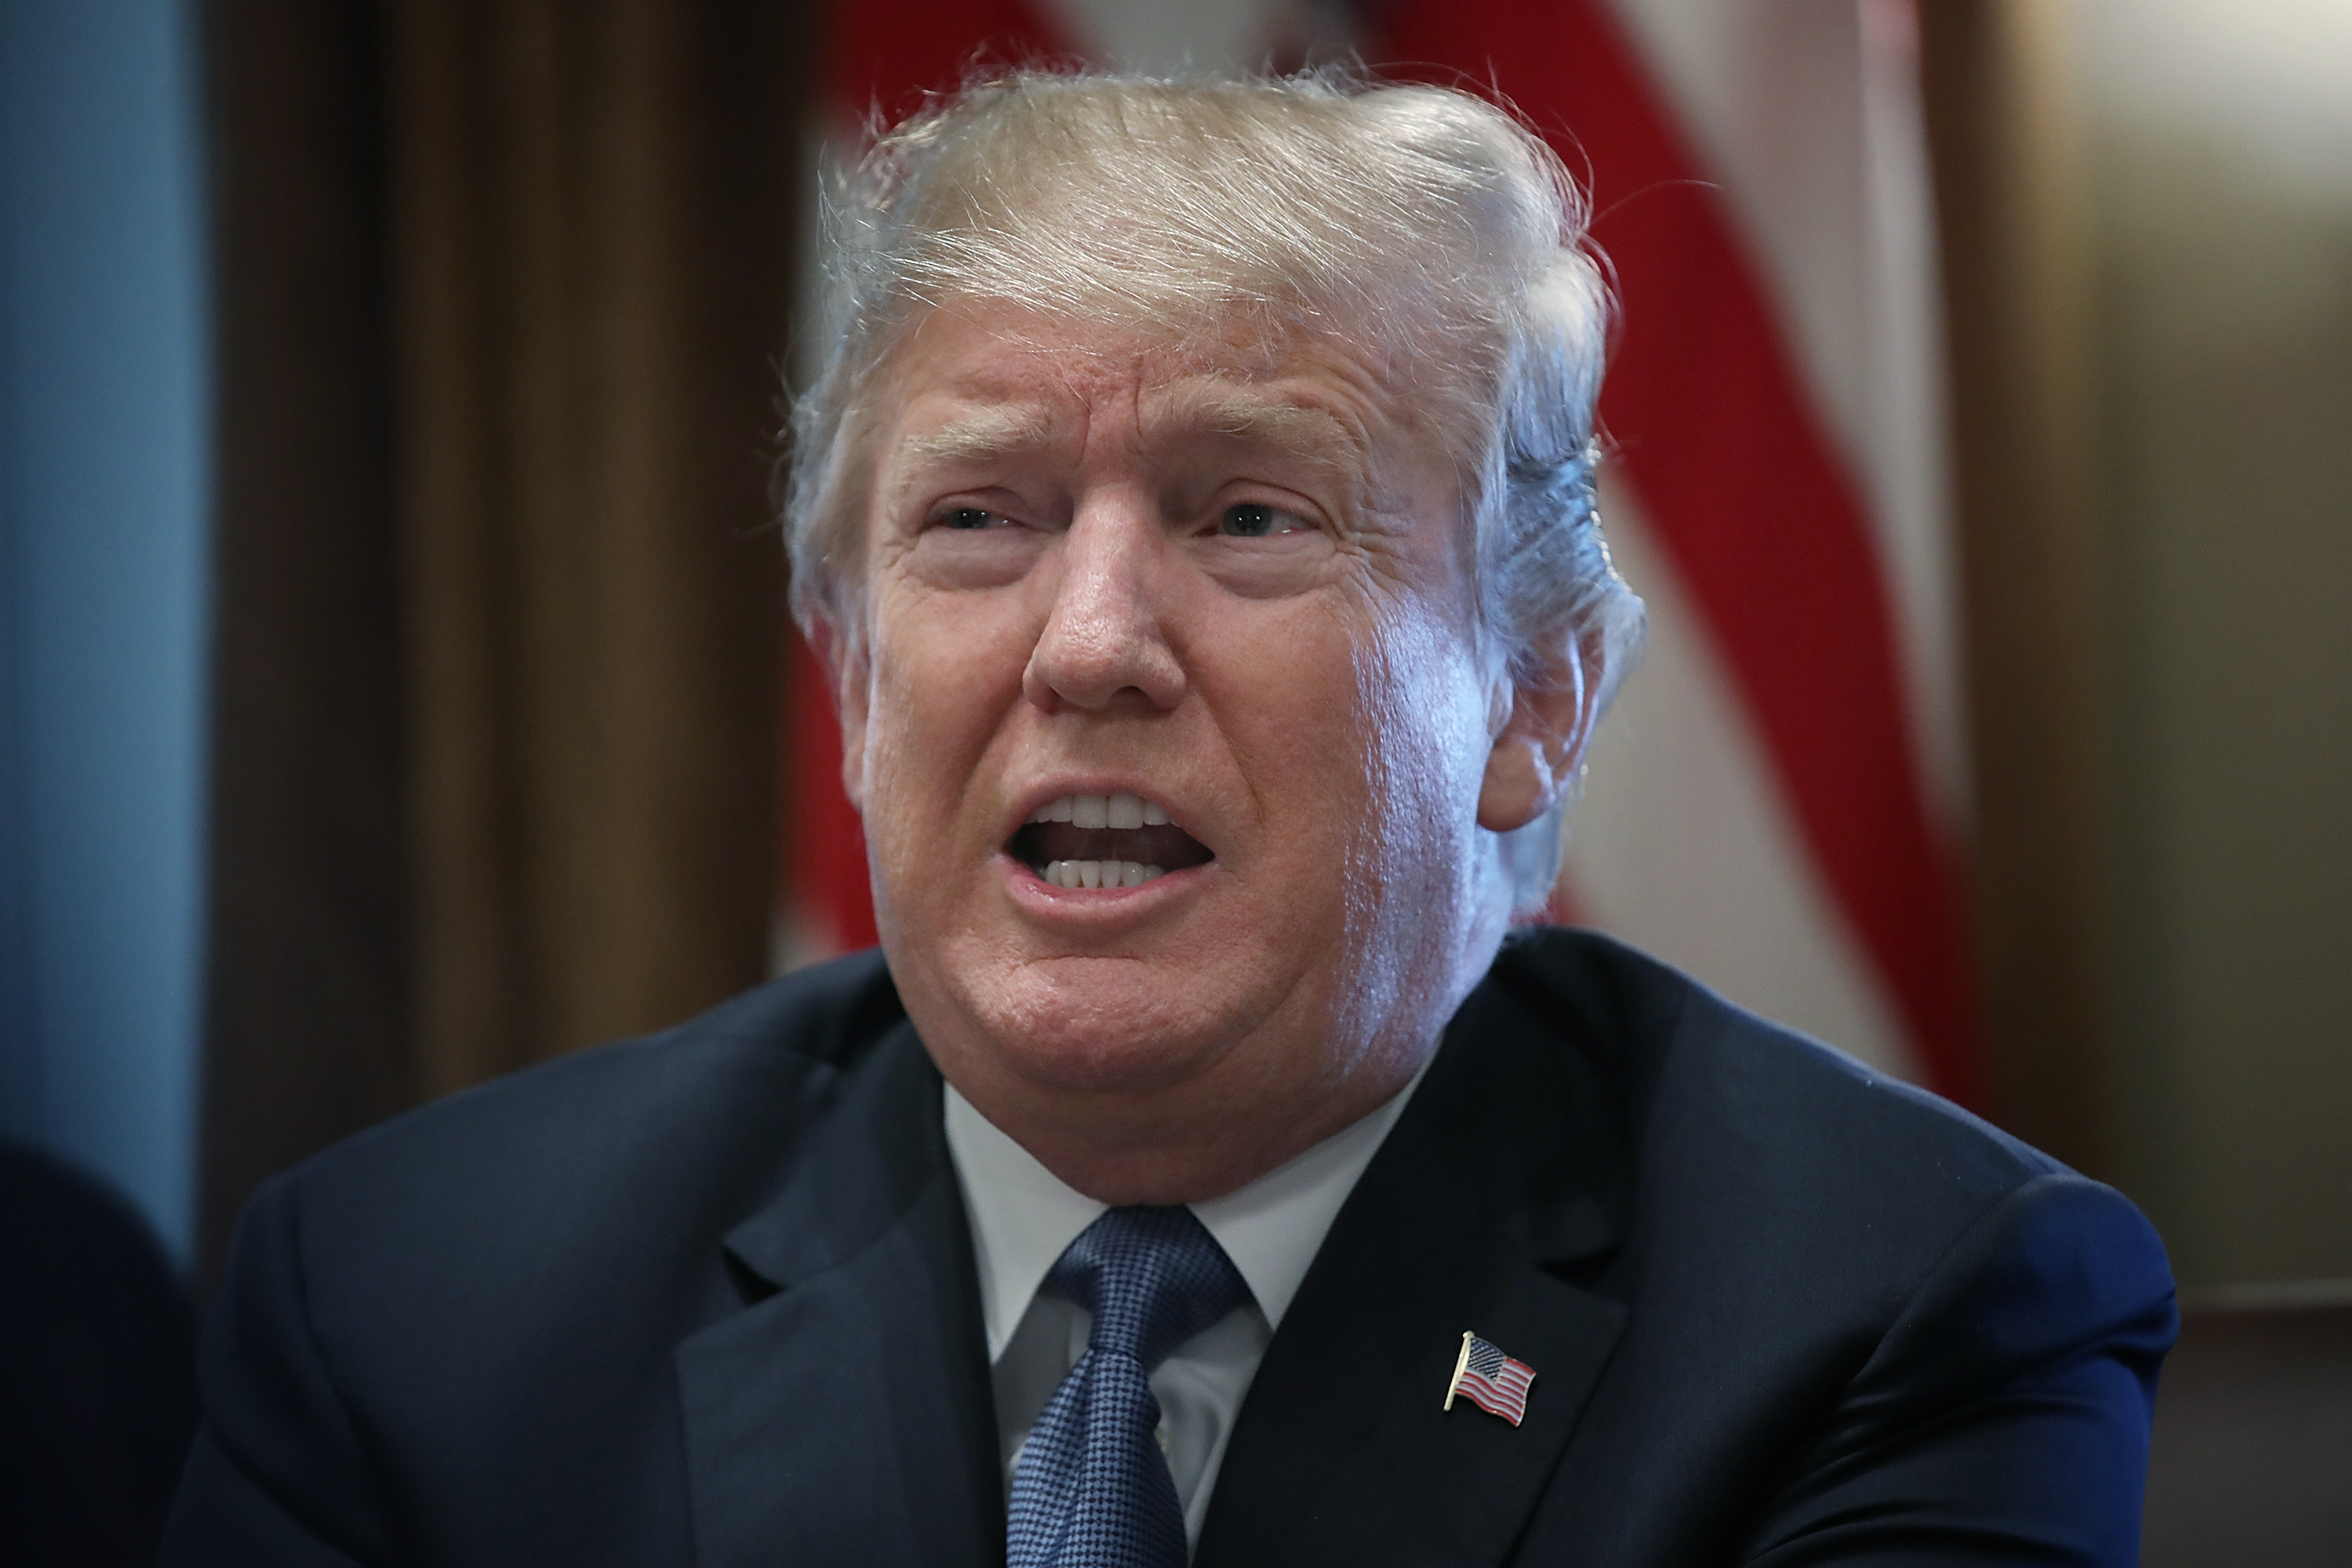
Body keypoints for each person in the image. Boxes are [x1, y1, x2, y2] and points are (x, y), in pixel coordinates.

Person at [162, 71, 2175, 1567]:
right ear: (859, 691)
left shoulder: (1901, 1312)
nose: (1094, 641)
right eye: (978, 520)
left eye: (1249, 515)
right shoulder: (413, 1311)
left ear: (1534, 702)